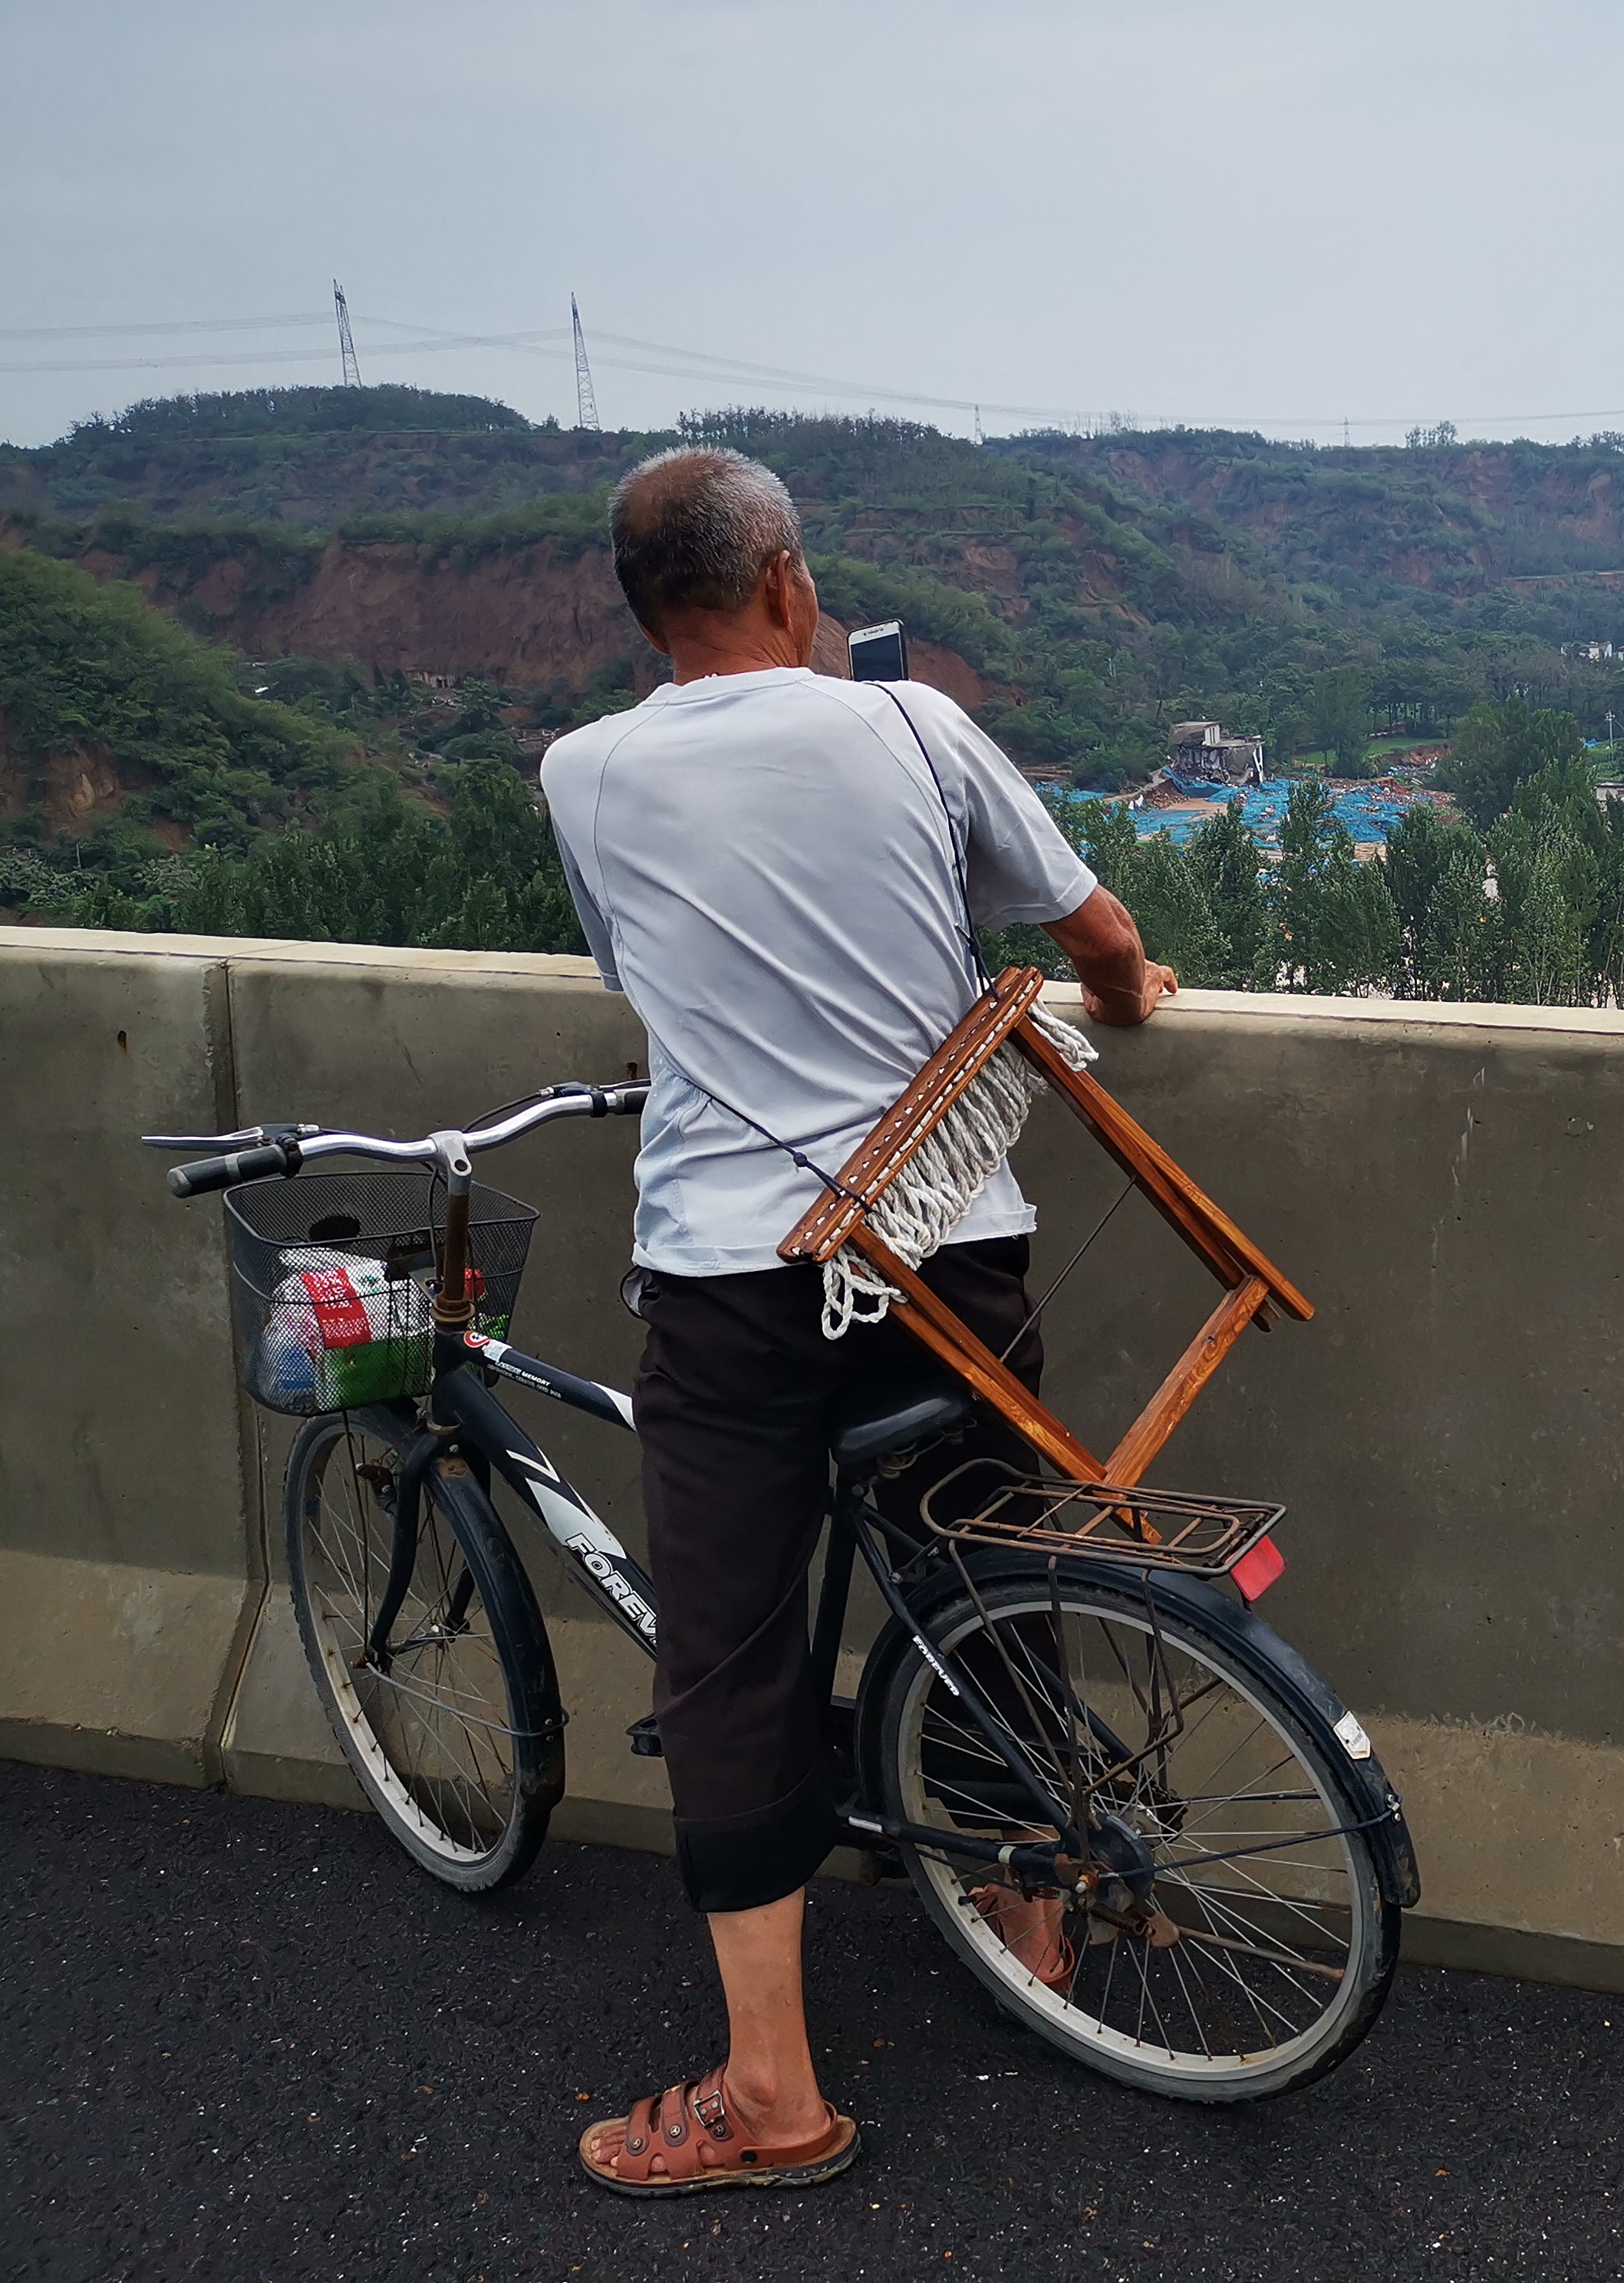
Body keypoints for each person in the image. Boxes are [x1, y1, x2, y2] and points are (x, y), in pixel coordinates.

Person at [541, 445, 1175, 2196]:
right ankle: (1037, 1928)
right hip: (947, 1247)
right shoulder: (910, 725)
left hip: (737, 1277)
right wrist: (1129, 996)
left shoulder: (581, 773)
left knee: (734, 1661)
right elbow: (1097, 940)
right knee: (988, 1570)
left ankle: (771, 2095)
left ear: (647, 610)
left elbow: (646, 975)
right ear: (789, 584)